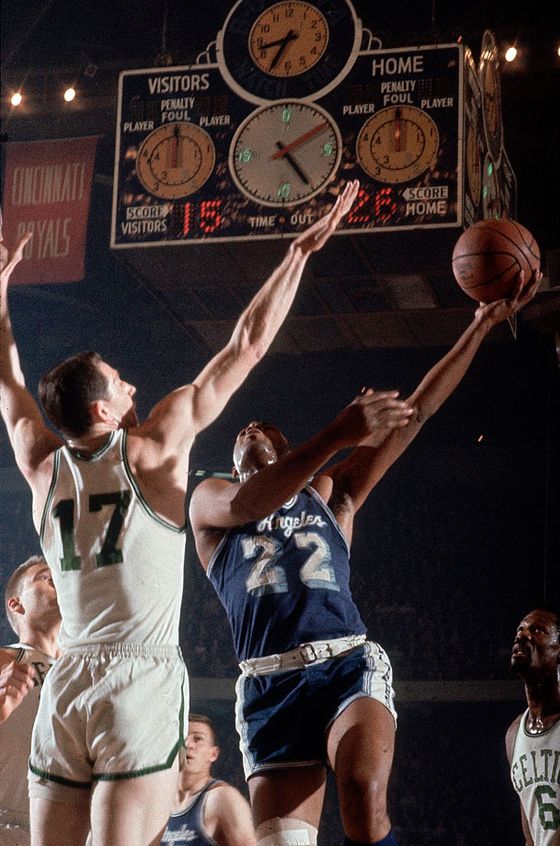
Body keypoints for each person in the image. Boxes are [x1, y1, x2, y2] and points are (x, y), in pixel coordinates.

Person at [0, 181, 360, 846]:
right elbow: (245, 344)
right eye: (119, 381)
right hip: (138, 678)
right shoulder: (156, 448)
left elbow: (8, 383)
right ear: (104, 411)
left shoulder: (39, 463)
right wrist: (300, 252)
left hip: (69, 679)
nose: (133, 384)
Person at [189, 274, 540, 846]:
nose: (250, 428)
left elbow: (418, 411)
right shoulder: (212, 503)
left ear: (286, 449)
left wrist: (481, 324)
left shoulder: (331, 494)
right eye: (242, 431)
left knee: (360, 790)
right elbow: (254, 499)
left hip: (343, 664)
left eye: (265, 429)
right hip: (267, 686)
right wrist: (335, 433)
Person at [0, 555, 62, 846]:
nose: (57, 582)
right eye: (44, 578)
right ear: (16, 603)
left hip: (70, 830)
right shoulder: (4, 660)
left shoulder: (87, 672)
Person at [506, 608, 560, 845]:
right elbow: (531, 835)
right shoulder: (514, 733)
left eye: (537, 630)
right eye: (520, 629)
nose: (523, 635)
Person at [161, 713, 256, 846]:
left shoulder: (223, 798)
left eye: (198, 739)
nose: (188, 745)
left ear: (213, 754)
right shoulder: (160, 803)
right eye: (182, 738)